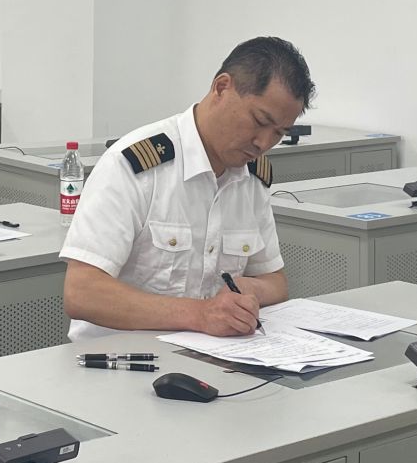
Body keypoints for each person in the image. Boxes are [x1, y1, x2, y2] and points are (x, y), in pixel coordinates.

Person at [62, 37, 312, 341]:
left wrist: (250, 289)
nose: (263, 143)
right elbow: (82, 292)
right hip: (122, 356)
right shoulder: (135, 166)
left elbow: (275, 281)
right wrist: (200, 315)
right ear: (222, 87)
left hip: (209, 355)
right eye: (259, 121)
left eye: (278, 133)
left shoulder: (252, 178)